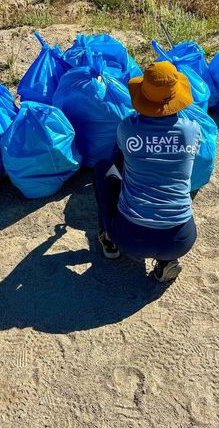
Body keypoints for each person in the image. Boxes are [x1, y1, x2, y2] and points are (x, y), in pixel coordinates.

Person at [93, 60, 201, 282]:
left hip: (130, 237)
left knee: (103, 168)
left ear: (142, 96)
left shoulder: (128, 128)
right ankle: (166, 261)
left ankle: (109, 238)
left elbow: (121, 157)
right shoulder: (192, 131)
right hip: (180, 239)